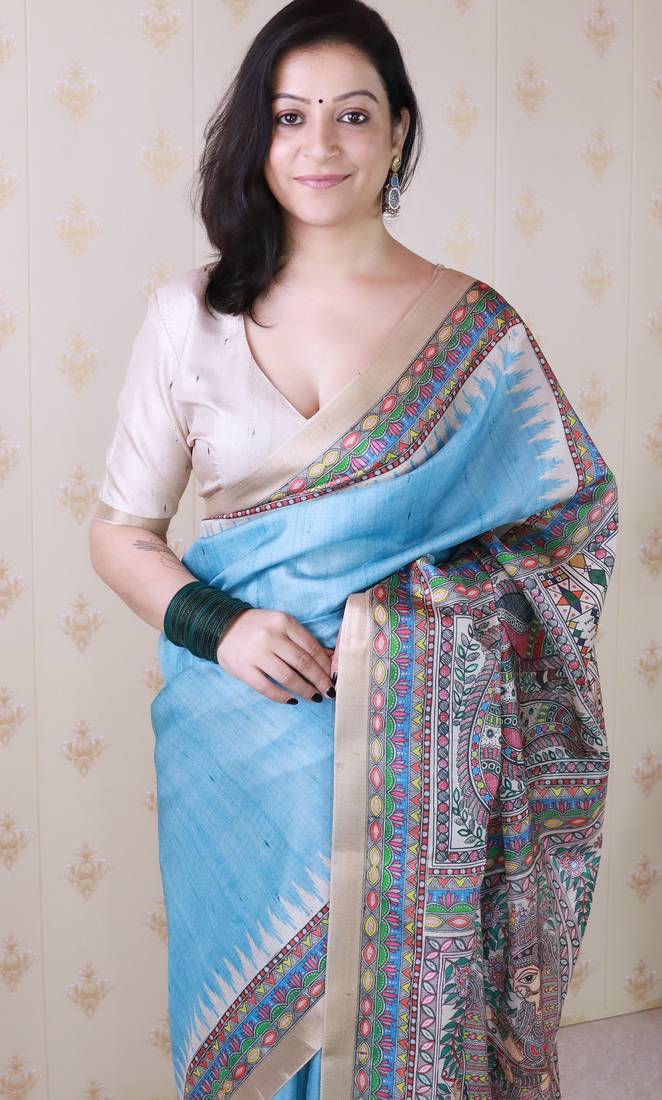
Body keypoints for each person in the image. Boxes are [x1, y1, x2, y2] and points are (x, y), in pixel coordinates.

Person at [88, 2, 619, 1098]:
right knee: (249, 1037)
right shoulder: (190, 315)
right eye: (290, 116)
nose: (319, 145)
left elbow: (573, 534)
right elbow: (120, 532)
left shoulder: (476, 332)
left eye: (352, 114)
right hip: (236, 733)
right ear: (258, 133)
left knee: (410, 1029)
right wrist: (224, 628)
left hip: (420, 748)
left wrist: (411, 638)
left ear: (397, 131)